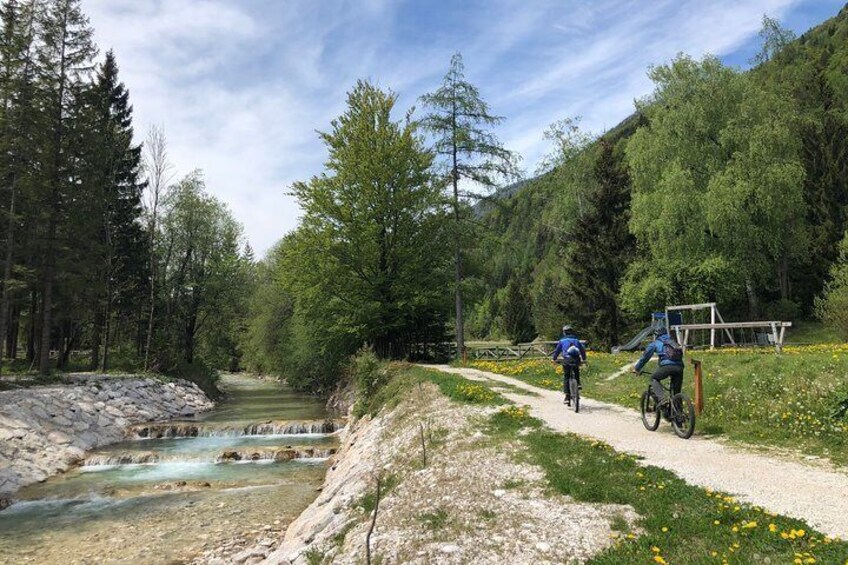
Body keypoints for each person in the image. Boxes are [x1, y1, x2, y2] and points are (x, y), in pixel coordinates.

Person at [633, 327, 684, 415]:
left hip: (667, 367)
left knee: (654, 378)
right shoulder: (673, 342)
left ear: (656, 335)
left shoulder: (656, 343)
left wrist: (637, 368)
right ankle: (678, 420)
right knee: (676, 393)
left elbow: (645, 358)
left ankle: (662, 400)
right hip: (679, 367)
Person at [551, 325, 586, 404]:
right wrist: (584, 359)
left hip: (567, 360)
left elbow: (557, 351)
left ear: (564, 332)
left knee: (566, 376)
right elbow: (582, 350)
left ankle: (567, 397)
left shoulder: (562, 341)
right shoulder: (576, 340)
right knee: (576, 370)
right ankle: (578, 384)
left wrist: (554, 359)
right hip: (576, 360)